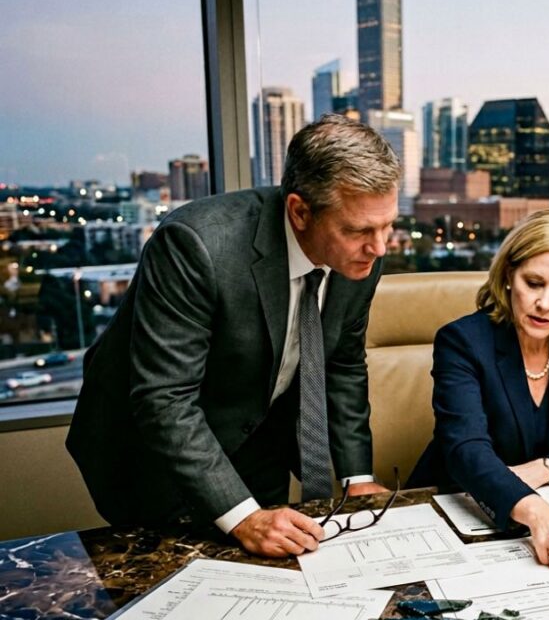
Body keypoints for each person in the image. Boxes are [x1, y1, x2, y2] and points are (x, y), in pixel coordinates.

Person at [67, 115, 401, 558]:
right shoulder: (196, 245)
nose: (379, 248)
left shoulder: (363, 256)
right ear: (300, 211)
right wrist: (241, 515)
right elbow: (164, 399)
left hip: (259, 433)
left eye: (388, 226)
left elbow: (340, 362)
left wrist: (356, 478)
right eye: (359, 231)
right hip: (155, 452)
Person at [409, 209, 549, 583]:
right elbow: (466, 449)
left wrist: (546, 468)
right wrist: (535, 510)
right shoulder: (462, 341)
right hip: (455, 517)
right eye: (534, 283)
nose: (546, 303)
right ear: (510, 275)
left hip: (539, 530)